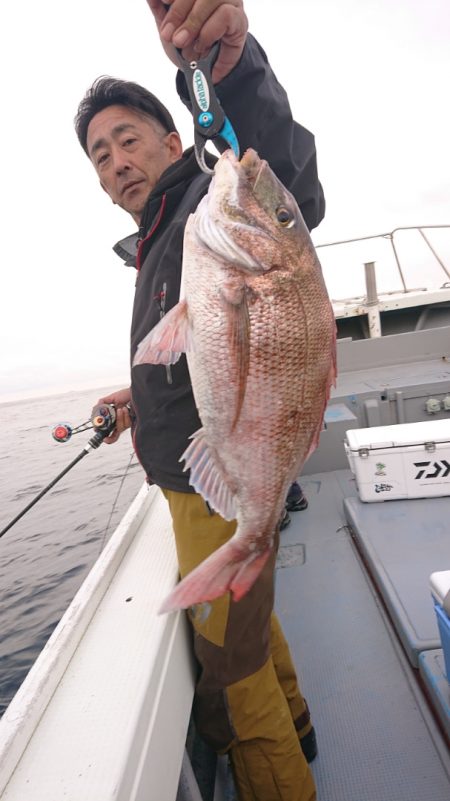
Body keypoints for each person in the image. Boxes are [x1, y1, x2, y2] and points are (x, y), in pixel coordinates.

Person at [75, 2, 324, 799]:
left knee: (234, 683)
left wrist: (228, 64)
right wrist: (135, 397)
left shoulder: (202, 204)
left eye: (128, 140)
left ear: (174, 142)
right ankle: (304, 724)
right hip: (223, 481)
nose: (117, 162)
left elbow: (285, 176)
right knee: (255, 628)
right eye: (101, 155)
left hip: (212, 492)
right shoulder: (159, 239)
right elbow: (192, 354)